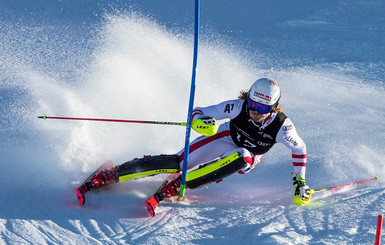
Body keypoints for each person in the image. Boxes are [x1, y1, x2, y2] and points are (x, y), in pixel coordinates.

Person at [76, 78, 312, 208]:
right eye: (252, 104)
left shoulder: (283, 126)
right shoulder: (237, 107)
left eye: (262, 108)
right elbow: (199, 111)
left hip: (248, 156)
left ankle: (181, 184)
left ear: (273, 108)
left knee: (243, 156)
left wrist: (299, 180)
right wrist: (199, 121)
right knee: (179, 162)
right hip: (225, 137)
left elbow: (299, 148)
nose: (255, 112)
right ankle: (112, 174)